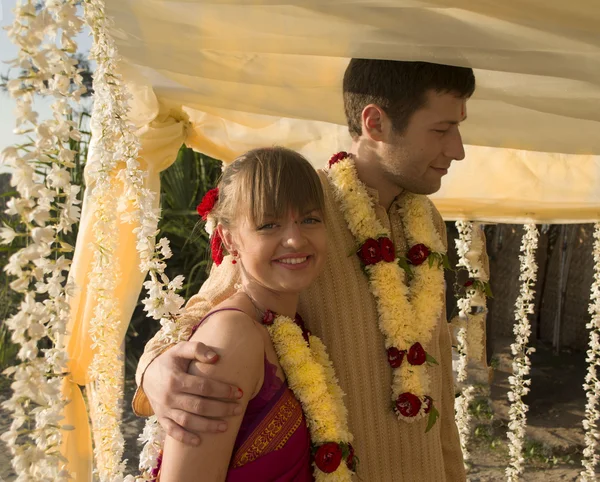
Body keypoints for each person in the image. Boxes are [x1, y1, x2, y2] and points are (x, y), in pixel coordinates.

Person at [134, 59, 476, 481]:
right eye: (441, 130)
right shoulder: (301, 213)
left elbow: (437, 375)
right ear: (376, 123)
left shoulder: (428, 223)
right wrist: (152, 368)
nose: (457, 149)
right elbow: (208, 307)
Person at [159, 146, 353, 481]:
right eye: (269, 225)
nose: (295, 239)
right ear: (229, 239)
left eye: (309, 219)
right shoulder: (232, 337)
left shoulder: (286, 325)